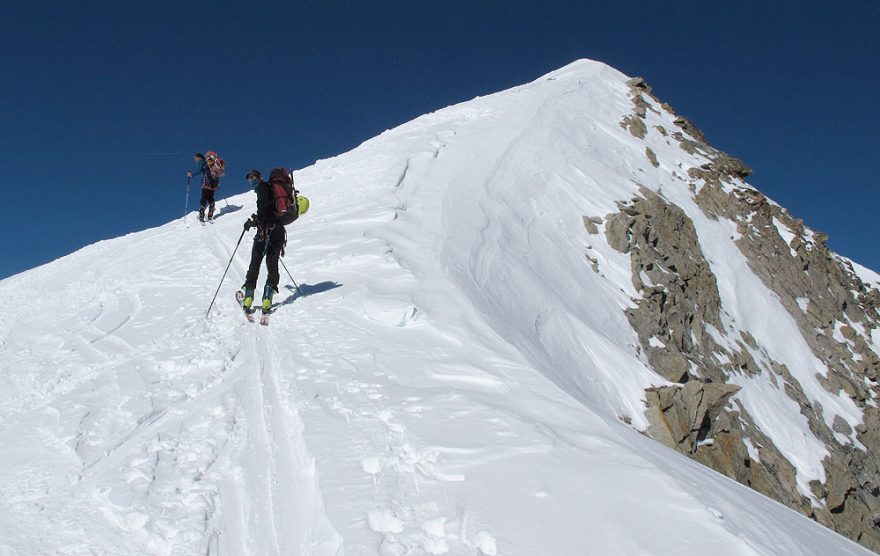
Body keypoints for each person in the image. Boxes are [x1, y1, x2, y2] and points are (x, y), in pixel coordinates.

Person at [240, 169, 288, 313]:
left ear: (260, 178)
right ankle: (268, 296)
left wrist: (253, 222)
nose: (252, 181)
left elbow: (263, 211)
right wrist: (257, 220)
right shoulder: (271, 190)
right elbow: (268, 211)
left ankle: (248, 295)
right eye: (249, 180)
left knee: (256, 260)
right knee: (272, 263)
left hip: (265, 231)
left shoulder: (262, 188)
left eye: (253, 178)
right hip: (277, 231)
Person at [186, 151, 222, 222]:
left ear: (198, 157)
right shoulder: (211, 163)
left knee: (204, 195)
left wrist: (191, 174)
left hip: (207, 181)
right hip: (214, 182)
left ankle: (202, 209)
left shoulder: (202, 161)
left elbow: (200, 170)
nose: (195, 160)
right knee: (210, 196)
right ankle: (211, 205)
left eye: (195, 158)